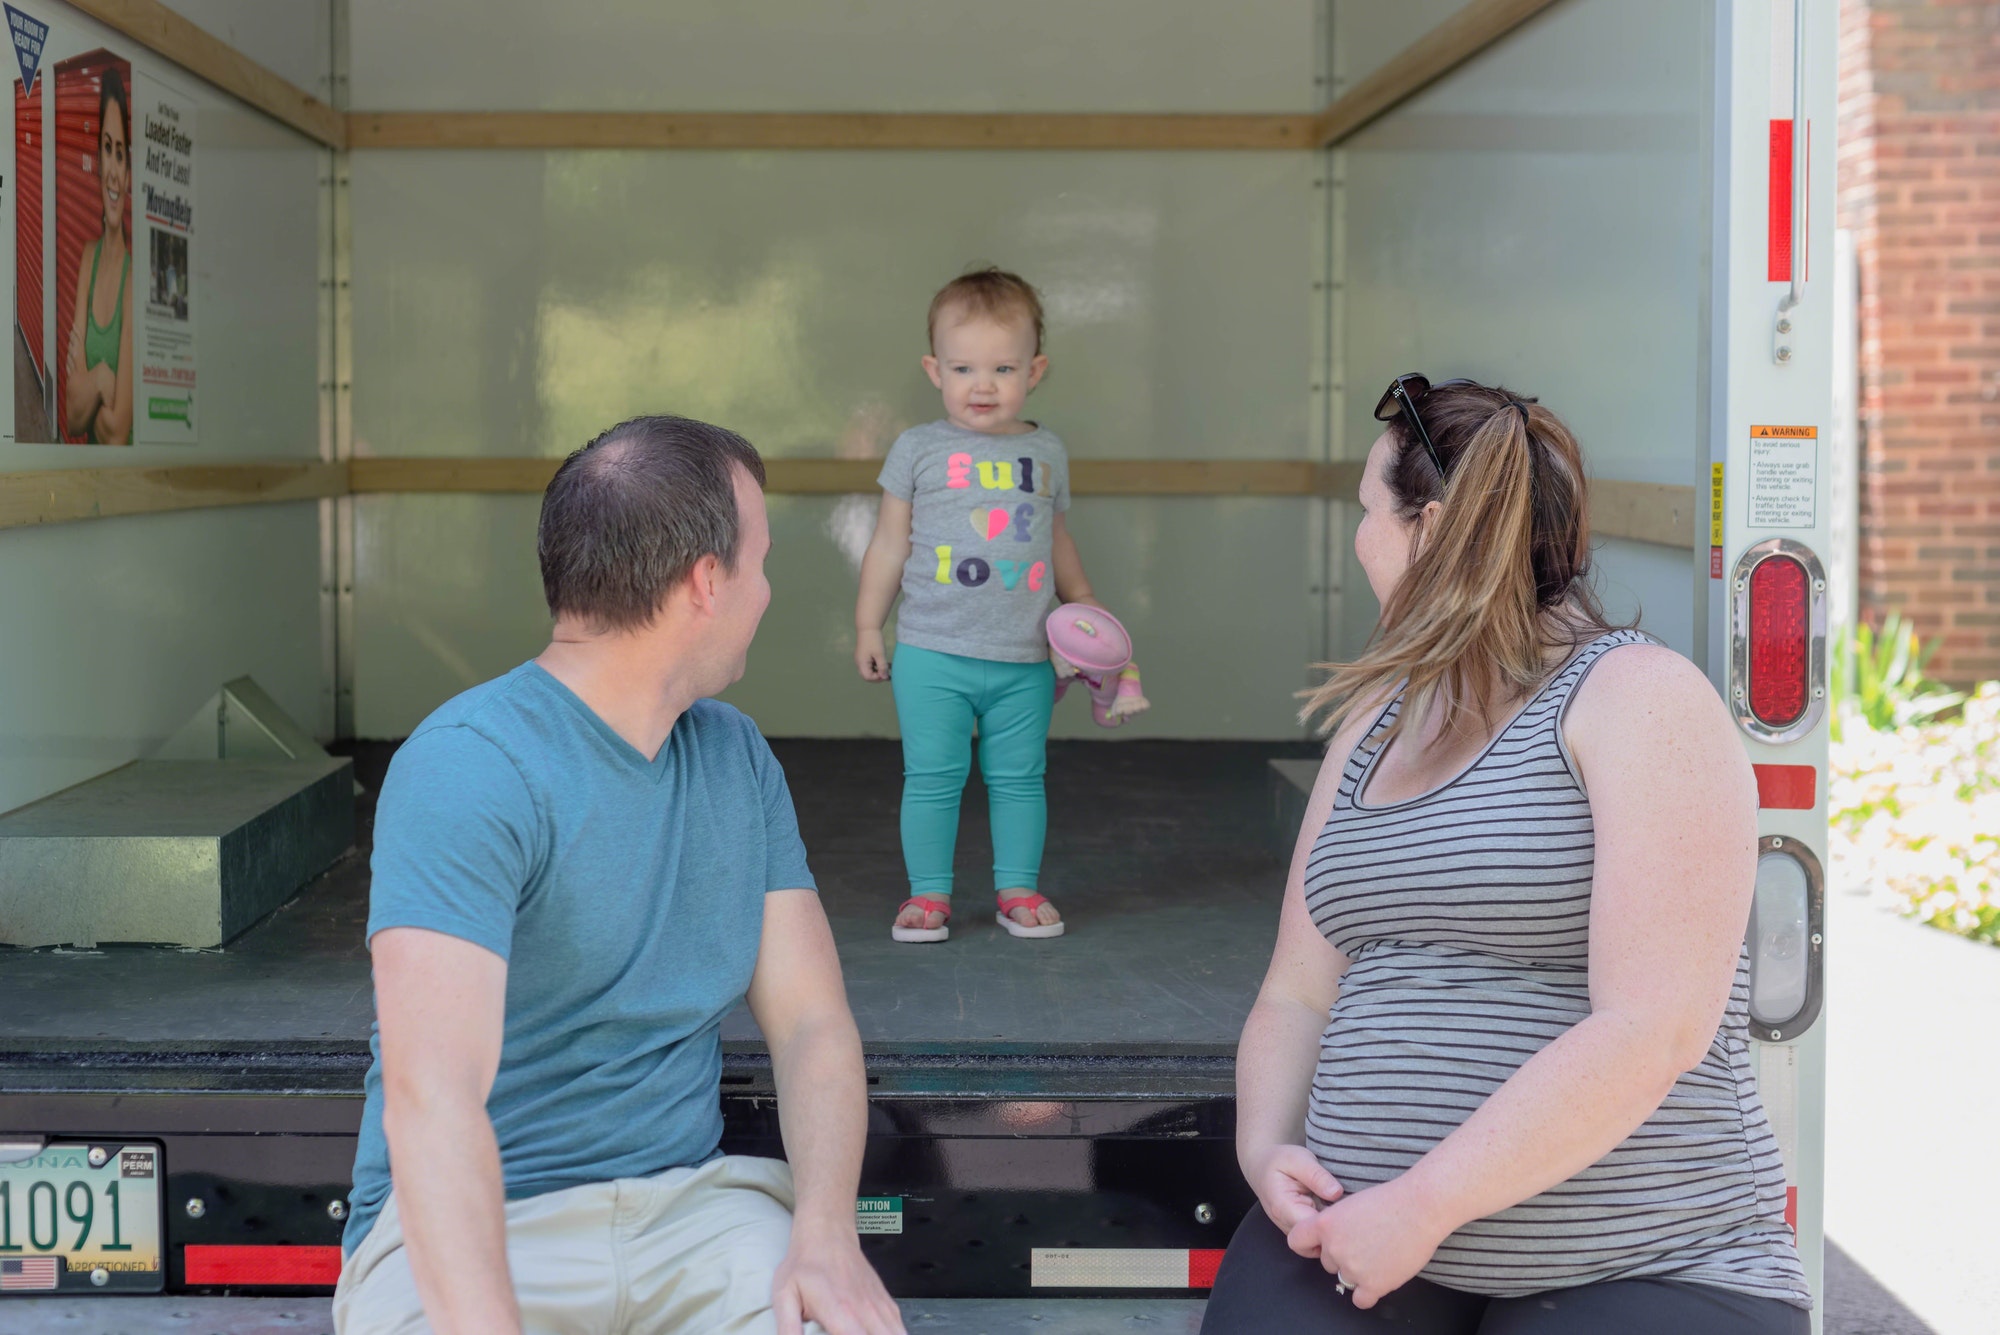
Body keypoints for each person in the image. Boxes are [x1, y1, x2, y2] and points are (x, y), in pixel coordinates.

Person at [1203, 376, 1812, 1334]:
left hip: (1646, 1264)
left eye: (1368, 513)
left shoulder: (1639, 700)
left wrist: (1425, 1202)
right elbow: (1296, 990)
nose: (1359, 540)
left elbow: (1650, 1029)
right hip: (1364, 1242)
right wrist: (1266, 1151)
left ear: (1432, 528)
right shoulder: (1374, 725)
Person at [333, 417, 904, 1335]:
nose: (767, 592)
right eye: (759, 563)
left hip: (697, 1213)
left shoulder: (735, 755)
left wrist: (828, 1230)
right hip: (481, 1234)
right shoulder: (468, 764)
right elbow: (432, 1098)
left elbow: (810, 1025)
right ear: (706, 582)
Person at [853, 267, 1105, 944]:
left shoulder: (1045, 450)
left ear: (1036, 369)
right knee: (933, 776)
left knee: (1021, 779)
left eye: (1002, 367)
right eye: (964, 367)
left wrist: (1086, 610)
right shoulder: (918, 448)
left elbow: (1055, 541)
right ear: (935, 369)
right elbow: (887, 543)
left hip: (1024, 658)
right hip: (932, 651)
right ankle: (928, 896)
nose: (983, 384)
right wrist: (867, 623)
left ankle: (1017, 888)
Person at [63, 67, 133, 445]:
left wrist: (87, 381)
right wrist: (105, 379)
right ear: (98, 163)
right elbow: (72, 416)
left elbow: (117, 432)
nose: (112, 171)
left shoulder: (135, 278)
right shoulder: (87, 258)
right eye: (107, 148)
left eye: (120, 153)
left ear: (127, 172)